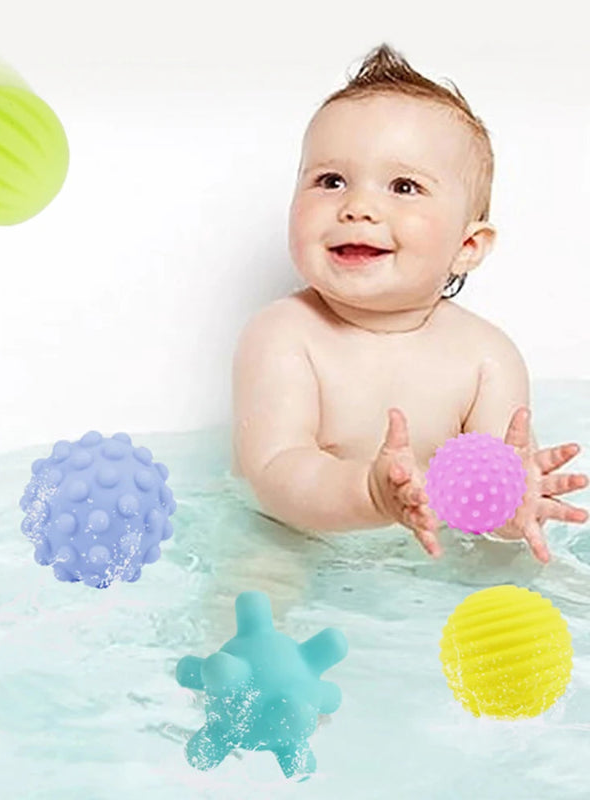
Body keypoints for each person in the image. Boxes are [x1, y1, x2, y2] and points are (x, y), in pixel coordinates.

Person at [232, 43, 588, 563]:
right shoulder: (284, 334)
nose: (358, 206)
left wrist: (510, 515)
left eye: (404, 186)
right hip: (297, 543)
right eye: (331, 181)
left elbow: (496, 493)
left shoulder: (486, 357)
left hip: (433, 553)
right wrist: (371, 494)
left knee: (532, 580)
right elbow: (275, 473)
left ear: (467, 247)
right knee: (256, 584)